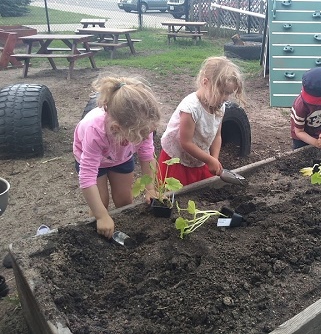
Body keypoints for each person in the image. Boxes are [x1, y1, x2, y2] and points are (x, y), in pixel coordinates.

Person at [73, 76, 161, 239]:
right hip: (94, 162)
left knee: (125, 199)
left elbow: (147, 155)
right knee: (101, 203)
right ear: (116, 128)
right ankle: (99, 235)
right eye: (138, 137)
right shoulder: (95, 130)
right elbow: (87, 177)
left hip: (121, 157)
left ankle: (126, 233)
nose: (144, 137)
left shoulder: (143, 125)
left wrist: (150, 188)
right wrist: (102, 216)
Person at [158, 56, 245, 186]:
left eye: (229, 94)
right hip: (177, 159)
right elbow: (186, 143)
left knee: (199, 193)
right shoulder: (191, 108)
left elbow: (217, 135)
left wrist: (213, 158)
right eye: (222, 92)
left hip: (199, 157)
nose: (226, 98)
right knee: (177, 195)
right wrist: (209, 159)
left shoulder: (220, 106)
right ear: (205, 82)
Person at [290, 67, 321, 149]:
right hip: (301, 137)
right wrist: (315, 142)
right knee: (302, 155)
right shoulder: (301, 105)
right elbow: (299, 132)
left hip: (319, 132)